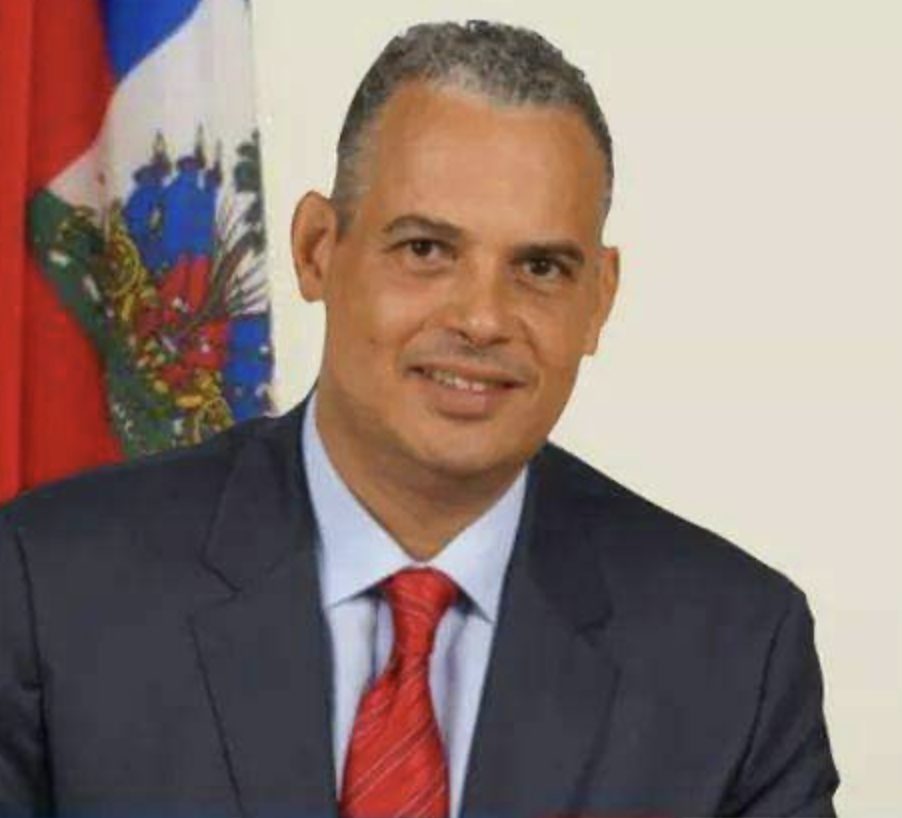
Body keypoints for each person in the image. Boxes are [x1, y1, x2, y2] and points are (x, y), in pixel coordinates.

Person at [0, 20, 839, 818]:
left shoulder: (735, 652)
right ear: (317, 249)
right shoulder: (51, 589)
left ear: (599, 299)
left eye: (541, 267)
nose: (482, 318)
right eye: (427, 250)